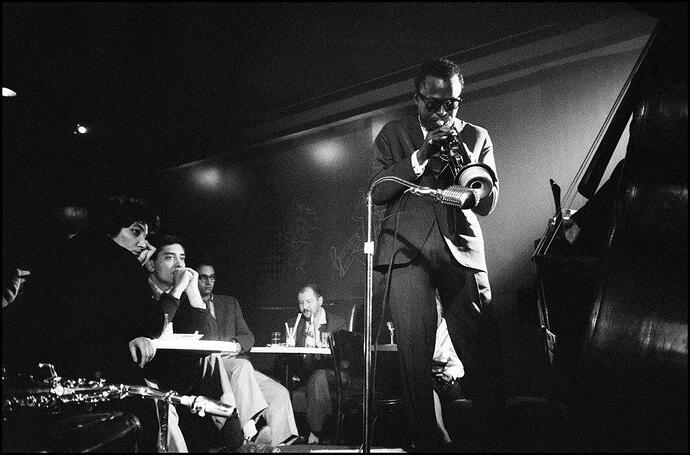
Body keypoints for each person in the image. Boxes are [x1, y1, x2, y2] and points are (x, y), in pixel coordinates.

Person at [370, 58, 503, 449]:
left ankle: (490, 436)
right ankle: (429, 440)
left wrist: (472, 179)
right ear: (417, 100)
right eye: (434, 104)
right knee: (415, 357)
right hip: (406, 251)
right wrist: (421, 156)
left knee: (482, 348)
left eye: (452, 104)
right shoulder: (393, 134)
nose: (444, 112)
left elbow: (487, 203)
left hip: (461, 251)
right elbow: (377, 192)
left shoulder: (476, 135)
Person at [3, 195, 176, 452]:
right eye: (136, 232)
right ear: (110, 228)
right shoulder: (121, 262)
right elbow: (152, 322)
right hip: (93, 386)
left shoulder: (55, 254)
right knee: (150, 405)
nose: (143, 244)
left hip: (35, 382)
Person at [144, 234, 248, 452]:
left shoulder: (183, 294)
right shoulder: (141, 292)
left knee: (212, 360)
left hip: (177, 369)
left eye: (182, 258)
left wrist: (192, 292)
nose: (179, 265)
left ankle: (238, 443)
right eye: (170, 258)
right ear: (152, 264)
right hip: (148, 368)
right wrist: (177, 290)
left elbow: (211, 336)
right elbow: (153, 326)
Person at [193, 258, 300, 446]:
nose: (208, 282)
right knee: (243, 366)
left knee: (279, 392)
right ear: (194, 279)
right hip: (211, 366)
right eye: (203, 278)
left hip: (235, 362)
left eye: (212, 277)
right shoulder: (189, 306)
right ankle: (249, 433)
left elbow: (248, 336)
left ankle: (278, 445)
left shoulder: (228, 303)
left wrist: (235, 344)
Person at [285, 283, 347, 444]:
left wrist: (325, 347)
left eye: (309, 301)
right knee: (313, 378)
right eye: (301, 303)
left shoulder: (336, 323)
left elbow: (344, 359)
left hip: (333, 373)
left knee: (318, 378)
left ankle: (316, 433)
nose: (304, 307)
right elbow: (288, 357)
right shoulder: (295, 324)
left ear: (320, 301)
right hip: (304, 373)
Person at [432, 293, 465, 445]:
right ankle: (442, 433)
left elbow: (459, 365)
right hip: (429, 380)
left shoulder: (450, 331)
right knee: (427, 389)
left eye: (436, 310)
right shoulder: (422, 332)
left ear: (441, 310)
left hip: (448, 379)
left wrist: (450, 375)